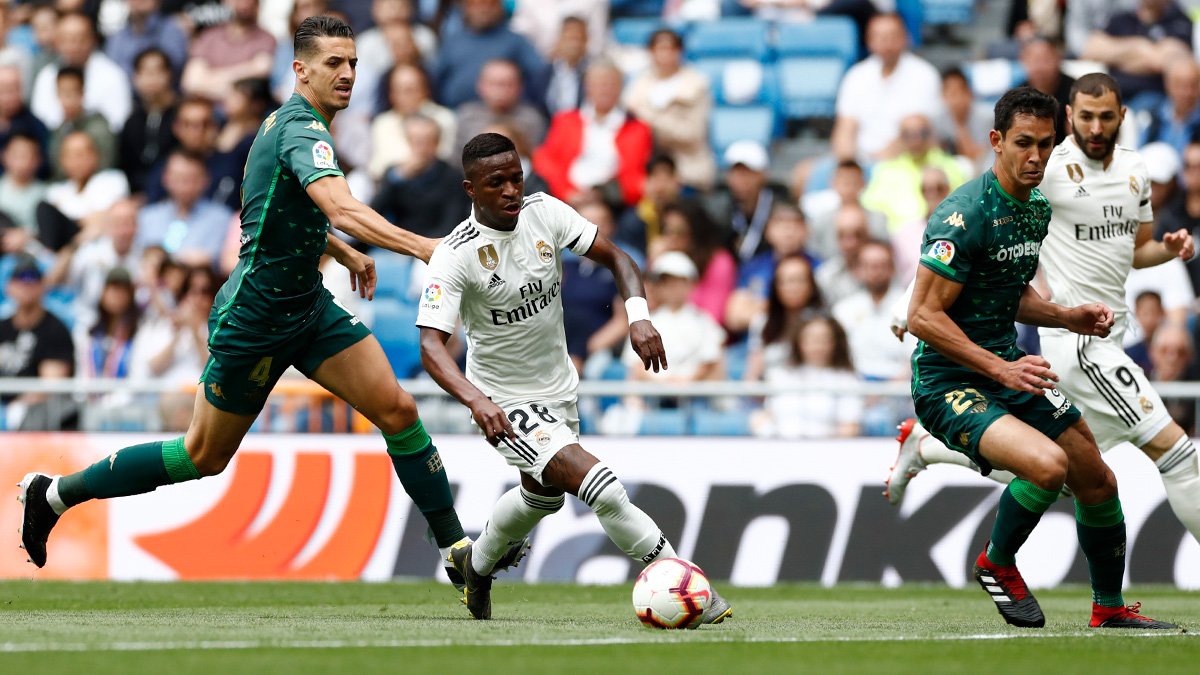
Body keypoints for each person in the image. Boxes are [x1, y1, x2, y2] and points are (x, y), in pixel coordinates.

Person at [18, 16, 526, 592]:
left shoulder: (283, 125)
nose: (348, 74)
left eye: (354, 62)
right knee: (201, 457)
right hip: (255, 317)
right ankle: (55, 493)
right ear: (300, 69)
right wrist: (429, 248)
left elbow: (270, 206)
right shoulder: (301, 129)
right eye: (333, 63)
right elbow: (342, 207)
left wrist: (341, 252)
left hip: (306, 307)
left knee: (399, 411)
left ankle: (455, 549)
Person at [891, 85, 1176, 629]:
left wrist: (1066, 316)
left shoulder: (1035, 207)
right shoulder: (963, 215)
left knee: (1098, 480)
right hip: (950, 379)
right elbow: (923, 315)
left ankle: (1109, 609)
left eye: (1047, 145)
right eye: (1024, 143)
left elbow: (1008, 291)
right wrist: (1000, 367)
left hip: (1006, 370)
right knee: (1048, 466)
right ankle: (995, 563)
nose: (1037, 157)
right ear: (996, 141)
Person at [417, 132, 732, 623]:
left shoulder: (545, 212)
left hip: (560, 389)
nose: (510, 190)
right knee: (601, 487)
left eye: (516, 178)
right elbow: (431, 345)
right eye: (496, 182)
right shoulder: (456, 254)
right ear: (470, 189)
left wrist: (639, 316)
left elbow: (620, 259)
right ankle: (689, 586)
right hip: (505, 399)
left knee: (541, 499)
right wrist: (477, 400)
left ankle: (475, 568)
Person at [533, 58, 652, 209]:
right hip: (567, 199)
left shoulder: (637, 129)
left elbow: (635, 176)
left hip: (613, 203)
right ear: (587, 88)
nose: (604, 89)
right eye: (598, 83)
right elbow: (545, 159)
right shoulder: (565, 121)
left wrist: (602, 195)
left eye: (610, 83)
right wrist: (567, 192)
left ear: (620, 88)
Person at [623, 28, 715, 191]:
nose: (665, 54)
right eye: (659, 48)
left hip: (687, 169)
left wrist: (649, 118)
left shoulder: (696, 84)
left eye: (670, 49)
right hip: (646, 171)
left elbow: (693, 133)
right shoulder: (639, 84)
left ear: (680, 52)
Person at [749, 315, 863, 439]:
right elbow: (768, 416)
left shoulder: (846, 379)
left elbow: (849, 427)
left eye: (824, 339)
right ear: (799, 342)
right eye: (811, 339)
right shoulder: (781, 375)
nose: (817, 345)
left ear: (834, 342)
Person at [0, 255, 75, 431]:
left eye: (33, 279)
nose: (27, 285)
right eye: (20, 280)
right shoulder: (2, 328)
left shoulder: (55, 329)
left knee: (27, 415)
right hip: (5, 407)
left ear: (43, 286)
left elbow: (51, 386)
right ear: (9, 287)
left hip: (38, 414)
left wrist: (15, 408)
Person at [181, 0, 276, 103]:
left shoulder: (267, 40)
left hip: (248, 113)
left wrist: (209, 78)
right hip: (206, 110)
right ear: (225, 2)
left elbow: (261, 71)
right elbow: (191, 84)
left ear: (258, 4)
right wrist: (240, 79)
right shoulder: (209, 37)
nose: (244, 4)